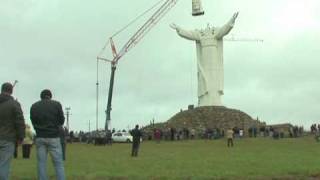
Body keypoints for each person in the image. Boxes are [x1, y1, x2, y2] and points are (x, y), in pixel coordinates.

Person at [30, 89, 65, 180]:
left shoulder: (34, 106)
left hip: (40, 136)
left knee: (41, 163)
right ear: (50, 96)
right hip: (53, 136)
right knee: (58, 163)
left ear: (41, 96)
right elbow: (61, 120)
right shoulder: (56, 104)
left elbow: (33, 120)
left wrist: (38, 129)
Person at [0, 82, 25, 179]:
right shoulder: (14, 104)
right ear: (11, 91)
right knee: (4, 165)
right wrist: (21, 137)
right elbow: (19, 121)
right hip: (8, 138)